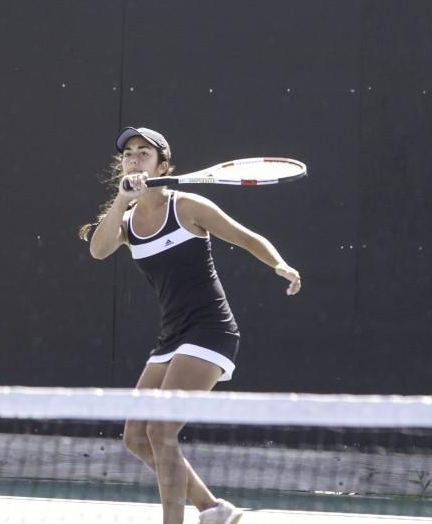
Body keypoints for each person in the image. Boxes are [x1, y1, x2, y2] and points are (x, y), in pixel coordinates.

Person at [79, 126, 301, 524]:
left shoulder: (187, 207)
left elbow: (248, 238)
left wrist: (279, 264)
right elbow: (98, 250)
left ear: (162, 164)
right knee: (136, 437)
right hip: (172, 335)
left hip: (211, 330)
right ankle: (213, 509)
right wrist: (121, 200)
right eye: (128, 154)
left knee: (161, 432)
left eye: (144, 153)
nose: (134, 158)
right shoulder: (126, 221)